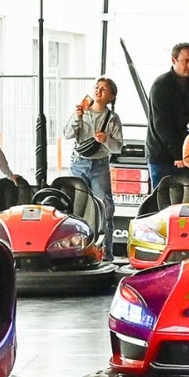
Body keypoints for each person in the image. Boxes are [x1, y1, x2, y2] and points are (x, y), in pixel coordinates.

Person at [63, 77, 122, 261]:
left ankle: (107, 254)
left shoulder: (112, 118)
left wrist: (106, 140)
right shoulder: (82, 112)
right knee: (77, 207)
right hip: (79, 163)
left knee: (105, 207)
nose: (98, 91)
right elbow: (67, 133)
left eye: (104, 89)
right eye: (97, 88)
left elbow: (118, 147)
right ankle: (77, 253)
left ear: (111, 97)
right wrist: (77, 118)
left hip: (100, 165)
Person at [144, 42, 189, 187]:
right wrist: (178, 154)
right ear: (173, 60)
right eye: (186, 61)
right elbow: (162, 124)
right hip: (162, 156)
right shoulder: (160, 86)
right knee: (163, 202)